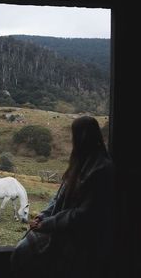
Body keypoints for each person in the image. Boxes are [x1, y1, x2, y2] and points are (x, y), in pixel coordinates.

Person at [10, 115, 115, 278]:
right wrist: (43, 215)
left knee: (25, 253)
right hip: (61, 226)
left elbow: (82, 215)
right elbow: (59, 197)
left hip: (79, 238)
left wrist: (48, 224)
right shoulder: (80, 163)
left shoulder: (101, 171)